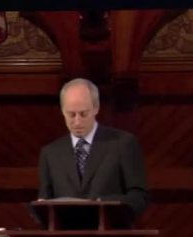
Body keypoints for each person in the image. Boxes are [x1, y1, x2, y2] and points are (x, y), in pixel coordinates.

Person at [38, 78, 149, 219]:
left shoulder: (123, 144)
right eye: (71, 114)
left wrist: (102, 204)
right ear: (62, 111)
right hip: (66, 232)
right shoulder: (50, 153)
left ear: (96, 108)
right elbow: (44, 205)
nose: (77, 121)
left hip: (111, 230)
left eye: (83, 114)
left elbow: (139, 197)